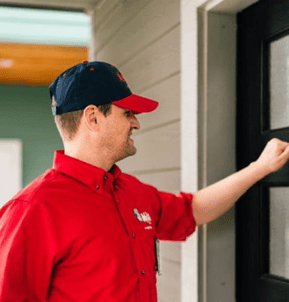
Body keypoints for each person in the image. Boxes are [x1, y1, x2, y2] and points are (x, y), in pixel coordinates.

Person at [0, 61, 289, 302]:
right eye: (127, 113)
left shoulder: (131, 193)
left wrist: (259, 168)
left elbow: (194, 209)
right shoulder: (31, 210)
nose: (136, 123)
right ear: (93, 118)